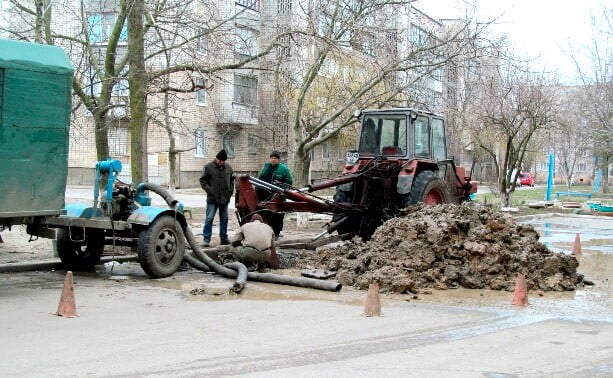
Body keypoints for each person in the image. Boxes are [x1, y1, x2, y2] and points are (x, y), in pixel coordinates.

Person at [199, 149, 234, 247]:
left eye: (223, 161)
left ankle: (224, 238)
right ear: (216, 158)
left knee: (224, 219)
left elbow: (232, 181)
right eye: (220, 160)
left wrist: (230, 191)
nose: (221, 163)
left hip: (225, 199)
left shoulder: (228, 168)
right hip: (212, 199)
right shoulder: (208, 167)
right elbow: (203, 181)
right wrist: (210, 191)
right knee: (209, 218)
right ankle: (206, 239)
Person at [258, 151, 293, 238]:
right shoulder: (266, 167)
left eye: (275, 158)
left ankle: (277, 232)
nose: (273, 160)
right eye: (272, 158)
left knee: (278, 214)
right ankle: (268, 230)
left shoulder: (283, 169)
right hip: (265, 195)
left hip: (278, 196)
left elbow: (289, 182)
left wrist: (282, 191)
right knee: (266, 213)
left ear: (278, 159)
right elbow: (260, 179)